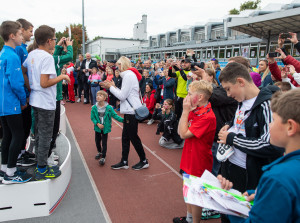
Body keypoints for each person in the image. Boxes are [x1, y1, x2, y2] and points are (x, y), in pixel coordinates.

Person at [218, 88, 300, 223]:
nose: (269, 124)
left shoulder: (277, 178)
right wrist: (262, 196)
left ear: (290, 127)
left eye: (273, 120)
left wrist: (230, 203)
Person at [217, 62, 284, 194]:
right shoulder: (241, 101)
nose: (228, 94)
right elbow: (241, 122)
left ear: (240, 82)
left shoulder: (267, 105)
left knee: (245, 212)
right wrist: (229, 125)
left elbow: (270, 144)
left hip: (250, 175)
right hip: (230, 167)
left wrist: (232, 138)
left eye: (228, 89)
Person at [23, 25, 70, 180]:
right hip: (45, 103)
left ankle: (40, 163)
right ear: (49, 41)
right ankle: (42, 169)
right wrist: (62, 77)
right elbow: (45, 83)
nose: (55, 42)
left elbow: (24, 71)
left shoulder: (32, 54)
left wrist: (31, 87)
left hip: (36, 100)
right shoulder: (47, 57)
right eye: (55, 39)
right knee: (45, 136)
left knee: (39, 134)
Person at [173, 80, 216, 223]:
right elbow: (180, 132)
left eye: (190, 94)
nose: (187, 97)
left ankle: (194, 221)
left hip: (198, 160)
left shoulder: (206, 116)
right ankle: (189, 218)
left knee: (196, 194)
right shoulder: (196, 110)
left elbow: (184, 134)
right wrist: (187, 112)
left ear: (201, 97)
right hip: (188, 156)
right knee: (187, 189)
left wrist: (185, 111)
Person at [100, 56, 149, 170]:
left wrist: (111, 87)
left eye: (118, 64)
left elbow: (122, 96)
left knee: (132, 137)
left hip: (131, 111)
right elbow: (125, 93)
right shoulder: (129, 75)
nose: (116, 67)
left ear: (123, 65)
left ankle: (143, 160)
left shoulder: (128, 75)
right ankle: (124, 161)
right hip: (129, 110)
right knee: (126, 137)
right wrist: (112, 86)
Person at [0, 21, 32, 184]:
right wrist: (23, 99)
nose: (22, 37)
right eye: (20, 34)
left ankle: (5, 168)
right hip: (11, 103)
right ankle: (11, 173)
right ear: (12, 36)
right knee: (18, 135)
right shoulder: (12, 56)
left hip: (3, 103)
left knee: (7, 135)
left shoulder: (3, 53)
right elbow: (16, 83)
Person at [14, 18, 36, 167]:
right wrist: (30, 88)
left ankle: (22, 151)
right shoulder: (19, 49)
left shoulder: (22, 48)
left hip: (24, 94)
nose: (31, 34)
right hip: (22, 95)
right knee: (22, 126)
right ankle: (19, 156)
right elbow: (22, 73)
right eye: (30, 31)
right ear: (21, 30)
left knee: (26, 126)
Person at [91, 90, 124, 165]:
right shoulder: (94, 107)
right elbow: (92, 118)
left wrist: (123, 120)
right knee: (97, 141)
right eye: (97, 95)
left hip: (105, 128)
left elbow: (115, 116)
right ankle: (99, 152)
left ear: (105, 98)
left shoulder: (109, 108)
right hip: (97, 128)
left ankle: (103, 157)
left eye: (100, 95)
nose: (98, 97)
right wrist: (97, 124)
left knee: (104, 142)